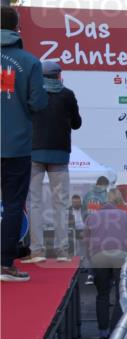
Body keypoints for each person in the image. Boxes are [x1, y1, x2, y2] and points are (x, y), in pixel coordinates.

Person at [1, 5, 47, 282]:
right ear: (17, 29)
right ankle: (5, 264)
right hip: (16, 145)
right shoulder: (30, 62)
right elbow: (38, 103)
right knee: (14, 204)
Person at [23, 61, 81, 263]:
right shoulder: (67, 95)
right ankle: (63, 251)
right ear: (58, 75)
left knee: (35, 203)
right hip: (59, 156)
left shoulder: (33, 93)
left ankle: (37, 251)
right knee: (61, 204)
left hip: (34, 153)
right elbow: (77, 124)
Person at [84, 188, 127, 339]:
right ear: (118, 200)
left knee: (102, 295)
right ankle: (117, 334)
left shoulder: (92, 217)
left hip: (99, 256)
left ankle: (103, 333)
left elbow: (86, 243)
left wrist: (90, 262)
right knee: (122, 296)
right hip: (121, 255)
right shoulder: (126, 216)